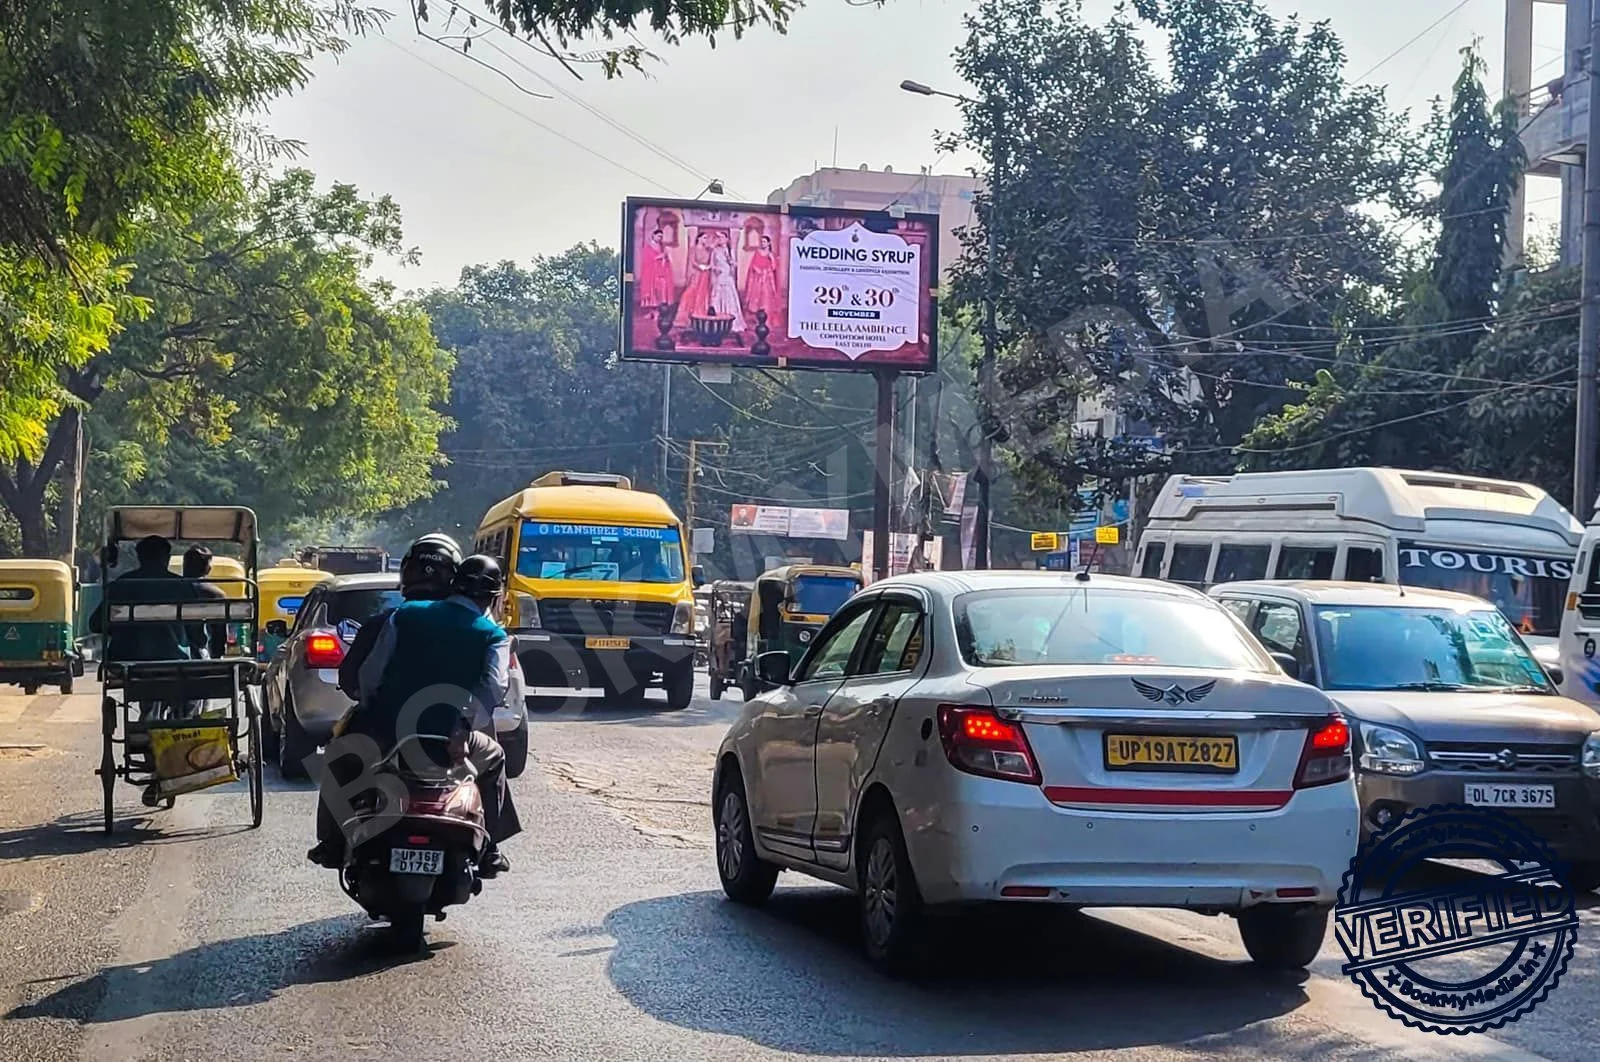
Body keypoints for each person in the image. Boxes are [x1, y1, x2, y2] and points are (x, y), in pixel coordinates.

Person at [310, 551, 522, 876]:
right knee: (493, 758)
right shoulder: (493, 635)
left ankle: (331, 843)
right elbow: (494, 687)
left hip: (383, 733)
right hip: (447, 741)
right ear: (494, 598)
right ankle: (490, 850)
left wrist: (374, 708)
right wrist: (463, 726)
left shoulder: (405, 615)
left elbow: (371, 673)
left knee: (338, 757)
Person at [90, 535, 192, 665]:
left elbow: (95, 624)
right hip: (173, 657)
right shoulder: (182, 585)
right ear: (167, 558)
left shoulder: (121, 584)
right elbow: (195, 629)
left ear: (139, 557)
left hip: (124, 657)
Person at [182, 546, 228, 661]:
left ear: (185, 566)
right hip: (198, 655)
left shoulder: (169, 589)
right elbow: (219, 634)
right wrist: (217, 657)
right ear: (208, 568)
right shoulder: (215, 594)